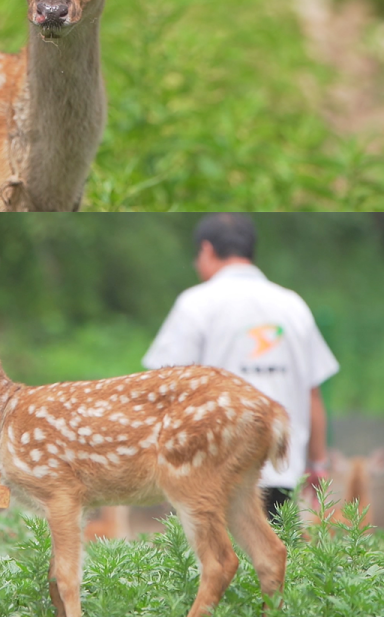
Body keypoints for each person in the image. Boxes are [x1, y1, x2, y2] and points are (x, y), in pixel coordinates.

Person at [143, 213, 338, 521]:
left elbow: (162, 388)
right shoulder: (293, 305)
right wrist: (317, 464)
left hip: (211, 473)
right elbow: (312, 393)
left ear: (206, 250)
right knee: (275, 561)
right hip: (280, 469)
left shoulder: (196, 304)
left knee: (212, 564)